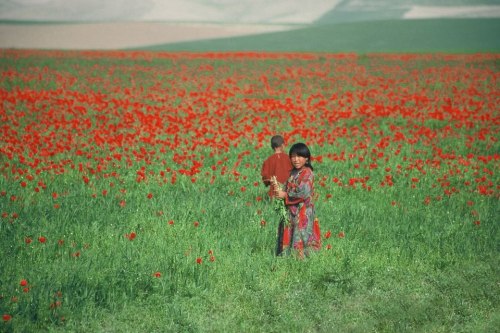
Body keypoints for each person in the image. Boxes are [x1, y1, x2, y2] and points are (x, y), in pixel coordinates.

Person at [274, 142, 321, 258]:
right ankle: (288, 258)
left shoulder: (307, 173)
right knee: (290, 234)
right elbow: (287, 187)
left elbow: (303, 192)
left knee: (301, 235)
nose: (296, 159)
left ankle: (302, 260)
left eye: (299, 156)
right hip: (291, 212)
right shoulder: (293, 173)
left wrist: (284, 195)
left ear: (306, 158)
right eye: (293, 156)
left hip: (303, 212)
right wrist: (278, 188)